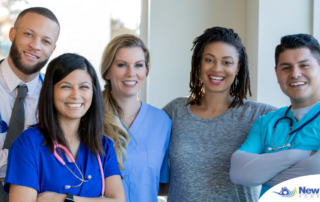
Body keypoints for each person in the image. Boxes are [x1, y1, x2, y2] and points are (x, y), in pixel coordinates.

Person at [161, 27, 277, 202]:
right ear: (199, 64)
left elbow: (306, 127)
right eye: (209, 60)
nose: (217, 68)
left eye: (227, 62)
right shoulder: (175, 111)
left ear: (238, 68)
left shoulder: (259, 115)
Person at [4, 53, 125, 202]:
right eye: (66, 86)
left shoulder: (103, 145)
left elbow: (119, 200)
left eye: (84, 87)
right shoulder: (27, 144)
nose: (75, 95)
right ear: (50, 92)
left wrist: (66, 200)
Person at [230, 34, 320, 197]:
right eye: (286, 67)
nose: (295, 74)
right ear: (276, 72)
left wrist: (263, 173)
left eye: (304, 65)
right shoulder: (266, 122)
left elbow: (314, 171)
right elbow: (239, 172)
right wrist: (302, 154)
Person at [100, 34, 172, 202]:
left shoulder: (162, 122)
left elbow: (161, 183)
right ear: (107, 72)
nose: (131, 73)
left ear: (146, 71)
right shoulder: (89, 119)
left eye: (138, 65)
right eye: (121, 65)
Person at [0, 7, 60, 201]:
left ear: (53, 49)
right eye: (28, 34)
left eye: (45, 41)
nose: (35, 45)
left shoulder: (57, 99)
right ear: (12, 33)